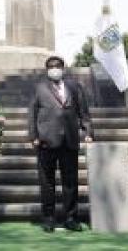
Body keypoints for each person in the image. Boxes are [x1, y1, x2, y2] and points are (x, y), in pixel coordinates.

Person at [28, 55, 93, 233]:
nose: (54, 68)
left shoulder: (74, 86)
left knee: (70, 182)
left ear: (63, 68)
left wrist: (88, 132)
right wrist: (33, 135)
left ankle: (71, 218)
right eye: (51, 66)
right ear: (47, 70)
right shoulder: (39, 88)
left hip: (69, 140)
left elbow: (83, 112)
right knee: (47, 182)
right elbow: (32, 113)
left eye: (57, 66)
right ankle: (48, 218)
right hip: (46, 141)